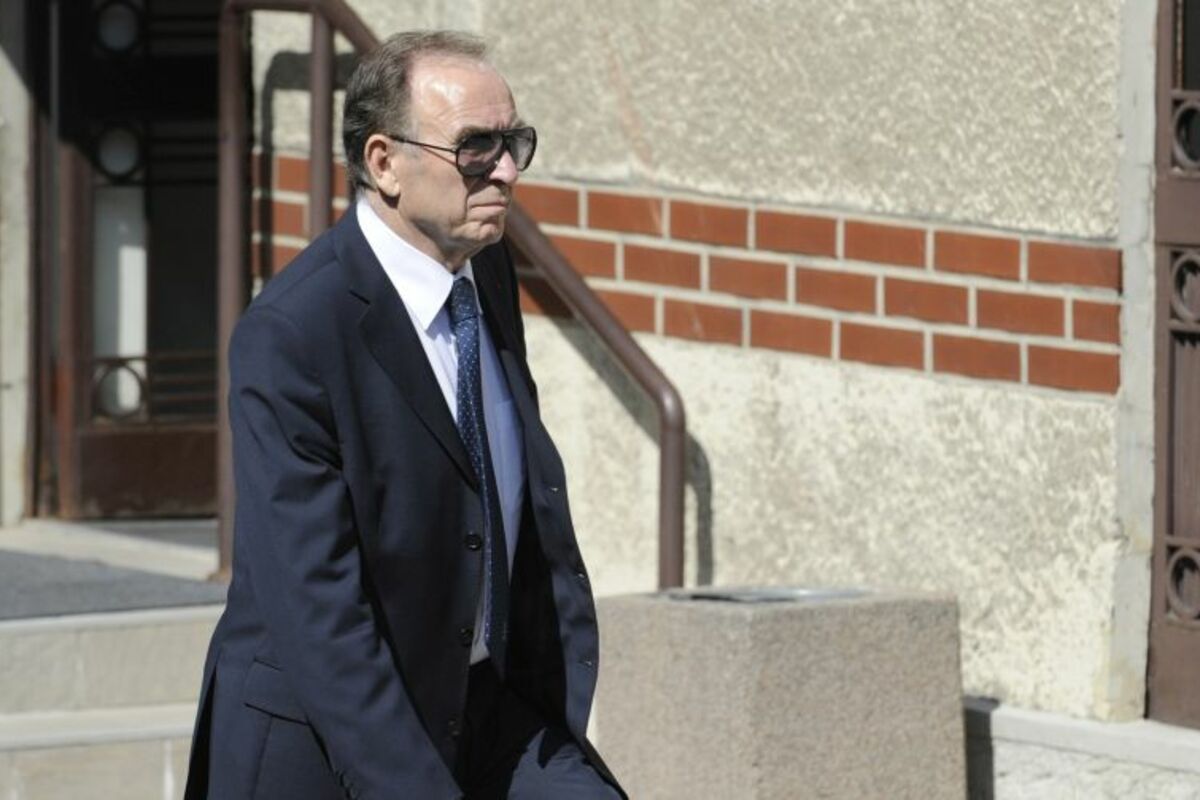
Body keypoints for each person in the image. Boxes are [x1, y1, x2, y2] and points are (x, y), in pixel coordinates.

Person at [184, 30, 622, 800]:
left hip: (484, 706)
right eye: (475, 147)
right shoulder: (293, 335)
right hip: (330, 740)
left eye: (514, 142)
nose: (507, 170)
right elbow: (321, 617)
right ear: (383, 162)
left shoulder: (484, 269)